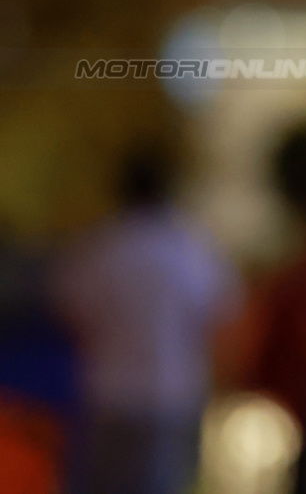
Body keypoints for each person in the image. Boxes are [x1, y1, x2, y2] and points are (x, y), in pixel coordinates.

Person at [52, 141, 241, 494]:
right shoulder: (190, 249)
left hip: (108, 393)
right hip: (169, 398)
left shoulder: (100, 246)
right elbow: (222, 319)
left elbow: (69, 312)